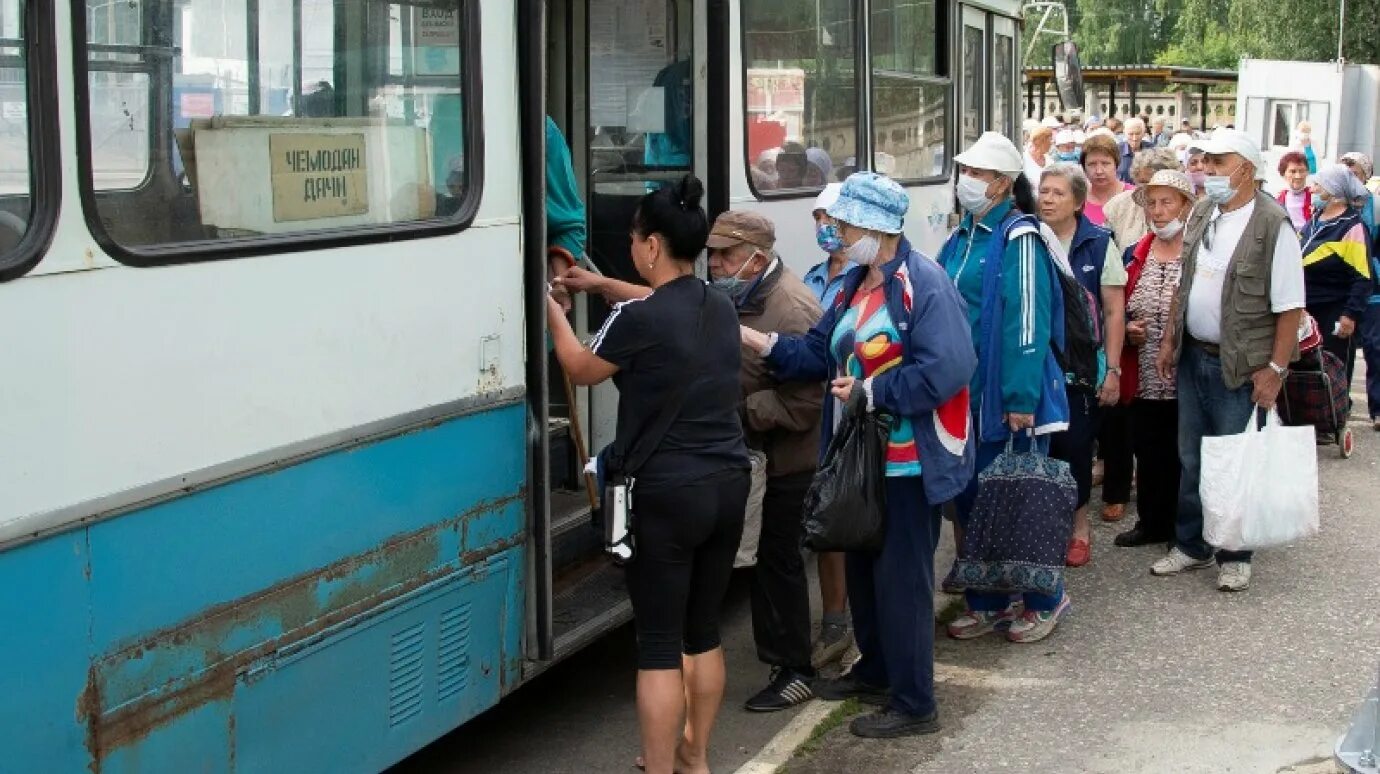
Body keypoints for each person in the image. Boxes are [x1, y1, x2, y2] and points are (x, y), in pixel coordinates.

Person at [741, 172, 976, 739]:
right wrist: (760, 342)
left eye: (844, 224)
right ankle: (874, 671)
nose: (836, 233)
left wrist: (875, 392)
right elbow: (820, 351)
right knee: (867, 578)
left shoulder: (924, 283)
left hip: (908, 462)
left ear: (878, 227)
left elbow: (949, 369)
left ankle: (915, 701)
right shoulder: (856, 282)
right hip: (863, 459)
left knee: (901, 583)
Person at [548, 174, 750, 774]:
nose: (631, 247)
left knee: (659, 645)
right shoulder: (720, 304)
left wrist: (553, 311)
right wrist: (603, 283)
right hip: (729, 484)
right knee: (702, 632)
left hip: (666, 494)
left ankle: (659, 767)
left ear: (653, 245)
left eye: (635, 239)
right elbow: (659, 299)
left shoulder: (637, 322)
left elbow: (582, 368)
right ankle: (696, 757)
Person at [1152, 129, 1306, 593]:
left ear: (1245, 167)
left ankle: (1236, 553)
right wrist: (1169, 340)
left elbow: (1289, 306)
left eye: (1218, 161)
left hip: (1239, 366)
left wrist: (1276, 370)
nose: (1208, 169)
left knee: (1235, 460)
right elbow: (1187, 279)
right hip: (1194, 355)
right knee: (1193, 456)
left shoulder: (1272, 224)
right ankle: (1194, 544)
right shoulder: (1203, 212)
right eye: (1206, 160)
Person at [936, 132, 1072, 643]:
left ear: (1002, 183)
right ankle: (987, 600)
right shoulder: (961, 236)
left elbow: (1029, 324)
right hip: (962, 396)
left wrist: (1020, 397)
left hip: (1005, 397)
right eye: (963, 171)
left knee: (1019, 501)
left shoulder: (1020, 239)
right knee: (975, 499)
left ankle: (1045, 598)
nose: (966, 182)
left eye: (975, 173)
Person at [704, 211, 826, 712]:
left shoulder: (792, 308)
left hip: (789, 461)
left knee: (779, 564)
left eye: (726, 257)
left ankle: (794, 669)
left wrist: (742, 412)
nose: (715, 266)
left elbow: (808, 403)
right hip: (757, 455)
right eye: (711, 256)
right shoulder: (739, 295)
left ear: (757, 258)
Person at [1037, 163, 1127, 567]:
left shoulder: (1097, 242)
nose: (1048, 199)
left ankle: (1079, 528)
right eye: (1044, 191)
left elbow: (1113, 311)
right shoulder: (1029, 240)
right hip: (1040, 365)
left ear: (1077, 201)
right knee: (1043, 448)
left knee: (1075, 449)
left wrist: (1112, 371)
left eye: (1058, 193)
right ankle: (1043, 526)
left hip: (1082, 369)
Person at [1115, 170, 1195, 548]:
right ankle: (1151, 522)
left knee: (1185, 453)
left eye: (1168, 202)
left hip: (1188, 374)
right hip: (1144, 372)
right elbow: (1119, 306)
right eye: (1152, 203)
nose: (1159, 211)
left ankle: (1183, 529)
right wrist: (1130, 329)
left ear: (1186, 206)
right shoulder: (1135, 253)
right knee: (1147, 449)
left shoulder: (1199, 251)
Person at [799, 183, 857, 667]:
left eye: (834, 219)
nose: (826, 228)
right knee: (827, 520)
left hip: (856, 416)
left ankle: (863, 621)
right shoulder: (811, 278)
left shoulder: (867, 280)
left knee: (857, 518)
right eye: (819, 218)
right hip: (816, 417)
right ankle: (834, 622)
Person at [1299, 164, 1374, 395]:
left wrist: (1350, 314)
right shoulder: (1315, 219)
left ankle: (1334, 424)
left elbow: (1362, 277)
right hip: (1306, 309)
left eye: (1318, 185)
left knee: (1332, 372)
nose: (1311, 188)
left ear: (1332, 191)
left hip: (1334, 311)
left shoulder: (1352, 226)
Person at [1103, 148, 1182, 248]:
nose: (1151, 190)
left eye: (1158, 185)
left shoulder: (1183, 207)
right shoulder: (1118, 206)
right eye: (1144, 183)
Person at [1081, 135, 1134, 230]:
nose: (1099, 171)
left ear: (1116, 164)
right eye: (1092, 164)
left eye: (1105, 163)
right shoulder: (1077, 199)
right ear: (1084, 168)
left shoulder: (1134, 197)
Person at [1340, 152, 1379, 242]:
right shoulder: (1329, 201)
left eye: (1354, 174)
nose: (1348, 179)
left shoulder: (1376, 204)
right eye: (1344, 174)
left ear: (1366, 175)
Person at [1277, 151, 1314, 232]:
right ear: (1283, 174)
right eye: (1293, 171)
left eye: (1302, 171)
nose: (1298, 176)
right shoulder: (1277, 199)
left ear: (1307, 172)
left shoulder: (1315, 197)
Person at [1117, 118, 1155, 183]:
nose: (1134, 138)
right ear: (1124, 133)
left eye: (1137, 134)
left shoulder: (1152, 149)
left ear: (1143, 133)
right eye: (1131, 134)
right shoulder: (1116, 150)